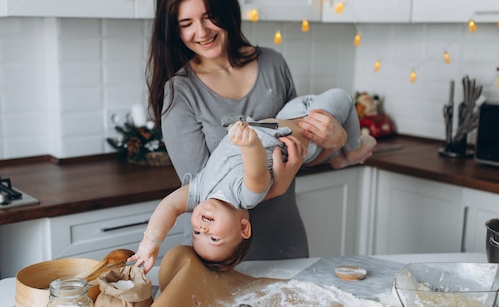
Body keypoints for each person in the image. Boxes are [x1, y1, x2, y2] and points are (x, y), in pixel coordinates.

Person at [139, 0, 374, 265]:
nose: (202, 32)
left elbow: (302, 148)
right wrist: (280, 185)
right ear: (174, 29)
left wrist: (335, 140)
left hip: (284, 240)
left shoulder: (272, 64)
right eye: (186, 23)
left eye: (210, 16)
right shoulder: (179, 92)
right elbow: (214, 194)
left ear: (228, 10)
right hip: (216, 255)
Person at [130, 89, 377, 272]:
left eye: (196, 232)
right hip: (306, 134)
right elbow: (256, 172)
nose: (203, 229)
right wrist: (249, 144)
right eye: (214, 238)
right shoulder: (246, 197)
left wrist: (150, 243)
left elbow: (169, 206)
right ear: (243, 228)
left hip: (285, 118)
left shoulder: (199, 193)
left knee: (318, 107)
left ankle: (338, 153)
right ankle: (353, 150)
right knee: (342, 97)